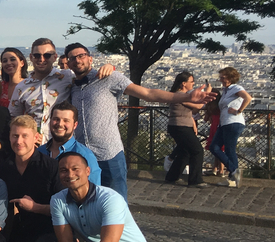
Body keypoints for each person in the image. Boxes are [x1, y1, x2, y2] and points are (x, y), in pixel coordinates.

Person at [65, 42, 214, 200]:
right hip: (83, 155)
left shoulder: (109, 78)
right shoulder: (71, 86)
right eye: (72, 58)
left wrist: (187, 97)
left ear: (90, 58)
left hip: (108, 153)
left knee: (116, 202)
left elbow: (148, 94)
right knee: (87, 202)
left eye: (81, 56)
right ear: (68, 63)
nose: (77, 60)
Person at [0, 115, 62, 242]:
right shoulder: (4, 168)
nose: (19, 141)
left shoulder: (51, 167)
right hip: (21, 230)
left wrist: (35, 207)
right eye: (15, 136)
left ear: (36, 138)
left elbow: (63, 209)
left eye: (25, 136)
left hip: (50, 231)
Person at [9, 38, 114, 142]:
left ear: (55, 57)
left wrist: (110, 67)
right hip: (34, 144)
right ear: (31, 57)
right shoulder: (21, 87)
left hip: (63, 142)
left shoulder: (67, 76)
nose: (41, 59)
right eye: (37, 55)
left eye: (47, 55)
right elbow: (14, 118)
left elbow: (88, 76)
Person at [36, 102, 101, 185]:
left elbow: (94, 189)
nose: (60, 124)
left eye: (66, 120)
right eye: (56, 119)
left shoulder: (85, 155)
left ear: (75, 125)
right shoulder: (39, 152)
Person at [209, 66, 252, 187]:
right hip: (224, 123)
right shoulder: (226, 90)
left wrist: (239, 111)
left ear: (230, 78)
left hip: (233, 122)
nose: (220, 79)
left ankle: (233, 175)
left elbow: (248, 98)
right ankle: (233, 174)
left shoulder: (235, 88)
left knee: (228, 149)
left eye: (223, 77)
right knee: (215, 147)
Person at [165, 71, 208, 188]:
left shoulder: (179, 95)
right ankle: (195, 180)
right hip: (181, 126)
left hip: (179, 125)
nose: (193, 84)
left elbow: (192, 111)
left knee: (185, 151)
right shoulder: (180, 95)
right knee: (197, 150)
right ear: (184, 83)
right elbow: (198, 106)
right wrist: (206, 95)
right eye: (191, 82)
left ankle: (172, 176)